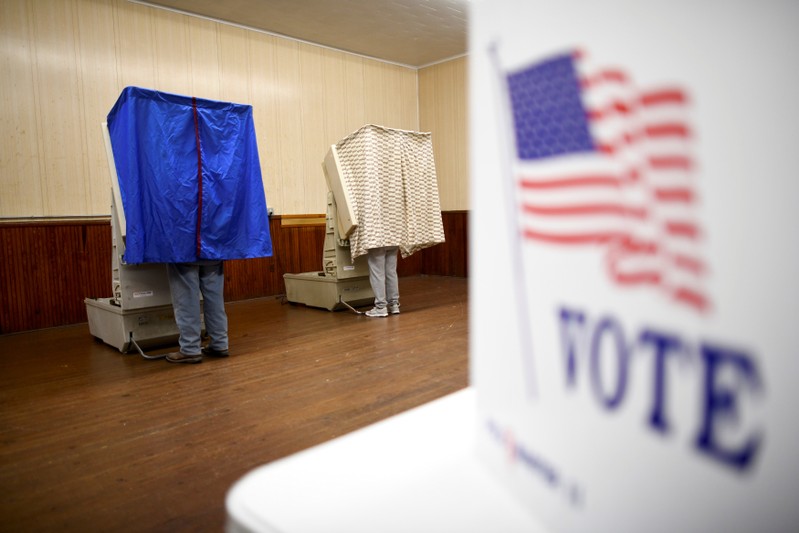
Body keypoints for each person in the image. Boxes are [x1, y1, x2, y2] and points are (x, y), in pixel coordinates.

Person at [165, 260, 230, 363]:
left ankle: (190, 348)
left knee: (186, 297)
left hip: (186, 251)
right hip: (212, 249)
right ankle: (220, 343)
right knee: (214, 296)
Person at [365, 246, 401, 317]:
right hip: (393, 238)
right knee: (391, 272)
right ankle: (394, 305)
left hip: (377, 240)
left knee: (377, 273)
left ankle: (380, 307)